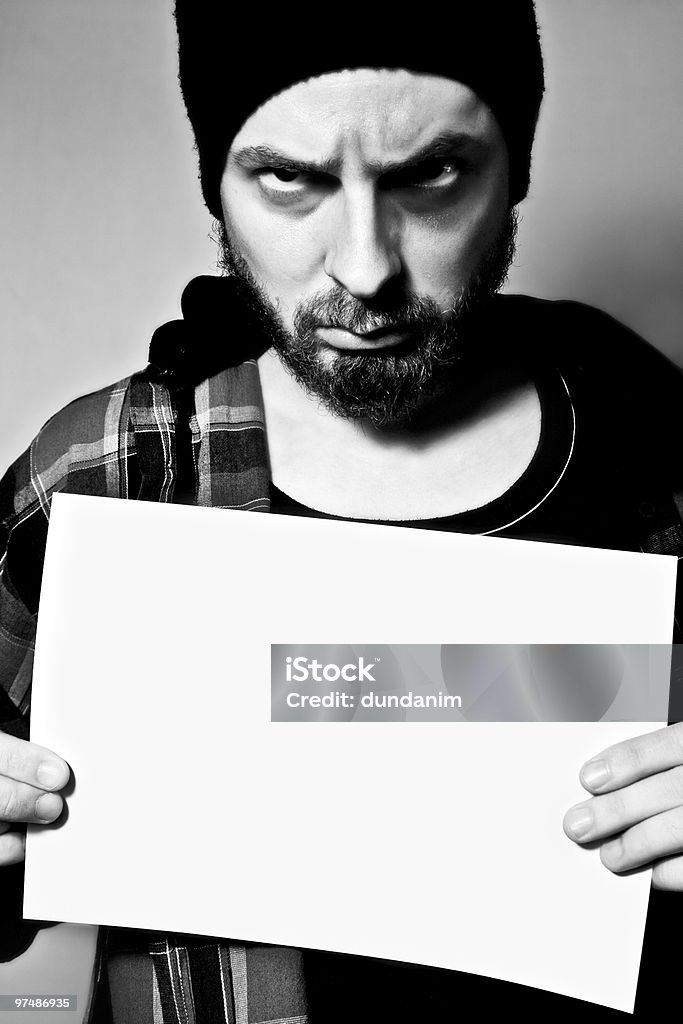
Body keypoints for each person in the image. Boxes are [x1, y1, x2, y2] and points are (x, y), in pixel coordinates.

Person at [1, 3, 682, 1021]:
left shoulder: (655, 452)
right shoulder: (106, 472)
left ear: (515, 174)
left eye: (429, 175)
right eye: (291, 180)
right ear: (217, 188)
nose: (364, 269)